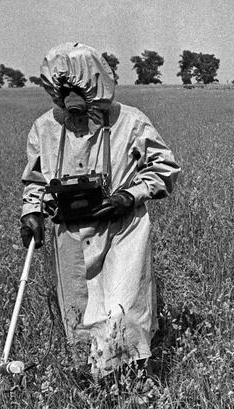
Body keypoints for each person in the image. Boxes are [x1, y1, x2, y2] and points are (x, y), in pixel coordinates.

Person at [19, 43, 180, 382]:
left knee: (123, 311)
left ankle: (135, 387)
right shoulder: (44, 128)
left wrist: (129, 195)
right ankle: (93, 388)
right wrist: (31, 211)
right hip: (70, 236)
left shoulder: (130, 122)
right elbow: (34, 179)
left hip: (122, 231)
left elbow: (165, 168)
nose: (75, 114)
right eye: (67, 104)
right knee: (78, 313)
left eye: (82, 104)